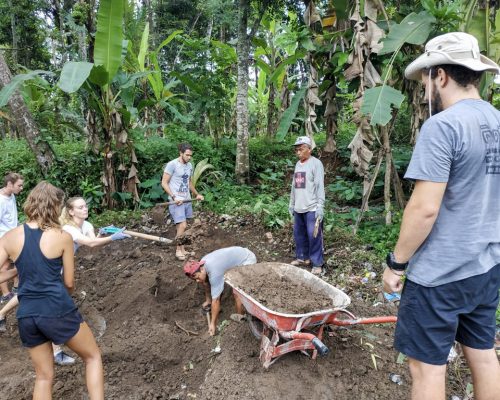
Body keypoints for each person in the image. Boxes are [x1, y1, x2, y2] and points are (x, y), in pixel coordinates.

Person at [382, 32, 500, 400]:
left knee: (426, 367)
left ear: (442, 76)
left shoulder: (443, 126)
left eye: (425, 81)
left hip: (439, 275)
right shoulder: (497, 120)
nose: (424, 90)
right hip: (486, 266)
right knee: (482, 355)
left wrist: (396, 264)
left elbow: (425, 207)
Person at [0, 181, 104, 399]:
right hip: (56, 307)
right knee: (93, 356)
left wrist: (19, 269)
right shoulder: (62, 237)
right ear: (55, 206)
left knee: (44, 376)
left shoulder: (9, 238)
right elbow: (68, 282)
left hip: (26, 314)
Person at [0, 196, 129, 366]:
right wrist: (113, 238)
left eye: (85, 206)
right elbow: (88, 243)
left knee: (29, 291)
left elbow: (94, 241)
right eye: (80, 207)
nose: (85, 209)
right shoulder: (67, 229)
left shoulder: (87, 225)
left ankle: (1, 314)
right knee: (49, 304)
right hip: (52, 265)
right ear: (71, 211)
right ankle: (56, 350)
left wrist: (105, 234)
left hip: (61, 265)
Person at [183, 246, 256, 336]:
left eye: (197, 277)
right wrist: (208, 300)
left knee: (237, 293)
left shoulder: (214, 272)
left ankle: (240, 322)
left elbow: (216, 300)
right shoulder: (202, 264)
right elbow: (205, 282)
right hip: (240, 255)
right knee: (212, 284)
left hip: (247, 260)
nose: (197, 281)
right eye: (194, 279)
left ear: (201, 269)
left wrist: (213, 324)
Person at [289, 136, 325, 275]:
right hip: (299, 207)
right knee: (299, 234)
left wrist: (320, 206)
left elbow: (319, 186)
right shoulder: (298, 165)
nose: (298, 152)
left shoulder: (316, 164)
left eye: (301, 149)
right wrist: (291, 204)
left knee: (314, 235)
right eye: (296, 149)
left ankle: (317, 263)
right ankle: (303, 258)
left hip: (312, 207)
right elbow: (294, 186)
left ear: (309, 150)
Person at [161, 142, 204, 261]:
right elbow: (164, 183)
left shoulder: (189, 165)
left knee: (183, 226)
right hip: (176, 201)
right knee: (182, 225)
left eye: (190, 155)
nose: (189, 157)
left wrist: (197, 194)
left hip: (187, 199)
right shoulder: (172, 165)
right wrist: (174, 197)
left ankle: (183, 249)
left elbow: (189, 183)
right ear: (181, 153)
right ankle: (177, 250)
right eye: (187, 155)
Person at [0, 172, 23, 302]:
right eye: (19, 185)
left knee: (18, 261)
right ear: (9, 184)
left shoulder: (11, 195)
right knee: (3, 266)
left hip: (14, 235)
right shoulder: (0, 201)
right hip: (4, 239)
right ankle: (5, 294)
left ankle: (15, 287)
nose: (21, 188)